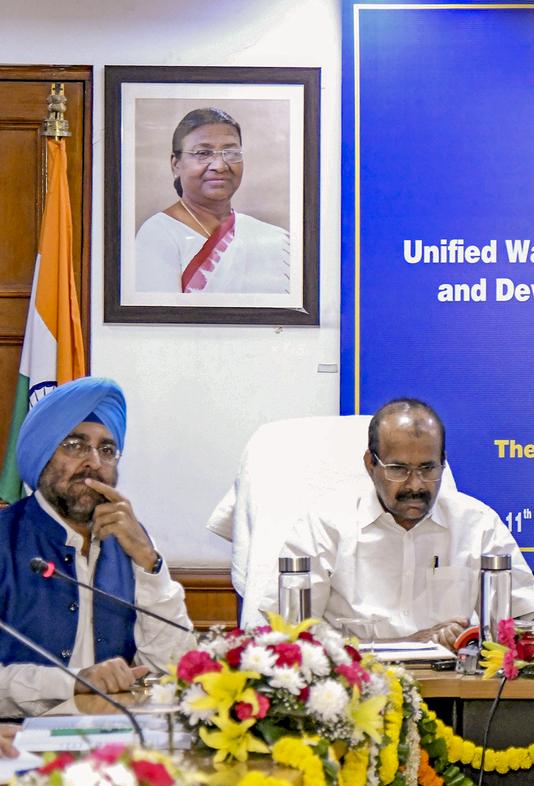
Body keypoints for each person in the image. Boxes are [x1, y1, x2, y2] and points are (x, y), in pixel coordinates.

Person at [277, 399, 534, 650]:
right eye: (398, 469)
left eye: (428, 469)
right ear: (370, 464)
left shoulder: (478, 524)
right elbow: (286, 637)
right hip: (353, 679)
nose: (415, 485)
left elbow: (527, 622)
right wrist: (411, 643)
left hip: (452, 681)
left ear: (443, 463)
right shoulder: (324, 526)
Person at [0, 377, 194, 716]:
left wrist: (149, 562)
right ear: (42, 455)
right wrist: (72, 682)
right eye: (75, 445)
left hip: (119, 734)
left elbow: (176, 667)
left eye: (107, 450)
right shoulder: (6, 537)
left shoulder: (131, 541)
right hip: (18, 739)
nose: (93, 462)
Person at [134, 107, 290, 294]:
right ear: (176, 165)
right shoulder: (159, 233)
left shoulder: (273, 239)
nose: (220, 166)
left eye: (231, 153)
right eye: (203, 153)